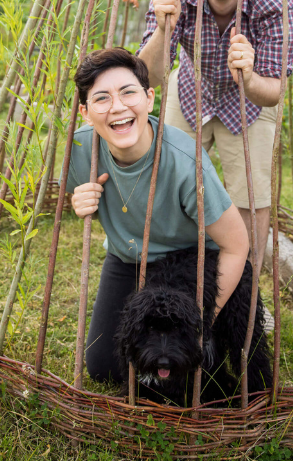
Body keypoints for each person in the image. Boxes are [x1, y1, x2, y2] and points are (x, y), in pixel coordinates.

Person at [63, 47, 249, 383]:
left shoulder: (185, 164)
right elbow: (74, 196)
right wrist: (77, 202)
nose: (118, 107)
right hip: (127, 259)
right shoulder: (78, 151)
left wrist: (199, 320)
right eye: (102, 98)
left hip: (187, 264)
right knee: (105, 366)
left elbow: (236, 246)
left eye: (128, 92)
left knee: (196, 369)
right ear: (85, 112)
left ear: (149, 99)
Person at [138, 0, 293, 278]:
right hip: (191, 87)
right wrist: (164, 29)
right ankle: (166, 279)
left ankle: (244, 290)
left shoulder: (274, 1)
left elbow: (272, 92)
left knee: (251, 196)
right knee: (165, 183)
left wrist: (248, 77)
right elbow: (151, 77)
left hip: (249, 102)